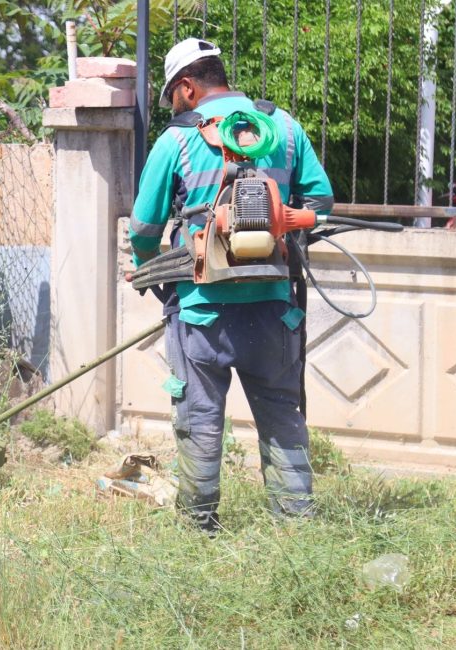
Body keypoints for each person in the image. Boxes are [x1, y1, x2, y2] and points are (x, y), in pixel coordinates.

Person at [128, 38, 334, 534]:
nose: (173, 105)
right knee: (283, 416)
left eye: (173, 95)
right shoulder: (282, 127)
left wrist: (153, 271)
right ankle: (296, 527)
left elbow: (142, 229)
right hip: (275, 311)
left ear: (187, 86)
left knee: (199, 420)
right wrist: (287, 221)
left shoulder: (175, 141)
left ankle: (199, 529)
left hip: (201, 313)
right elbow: (322, 202)